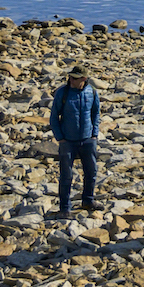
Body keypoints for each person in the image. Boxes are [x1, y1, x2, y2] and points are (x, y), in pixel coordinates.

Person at [49, 69, 101, 216]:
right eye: (70, 77)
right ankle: (65, 208)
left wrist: (94, 134)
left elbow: (96, 113)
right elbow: (54, 117)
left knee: (91, 172)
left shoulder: (92, 92)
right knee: (66, 175)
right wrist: (60, 138)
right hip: (68, 142)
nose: (71, 80)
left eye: (75, 78)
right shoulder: (62, 93)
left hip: (88, 140)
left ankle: (88, 200)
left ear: (84, 79)